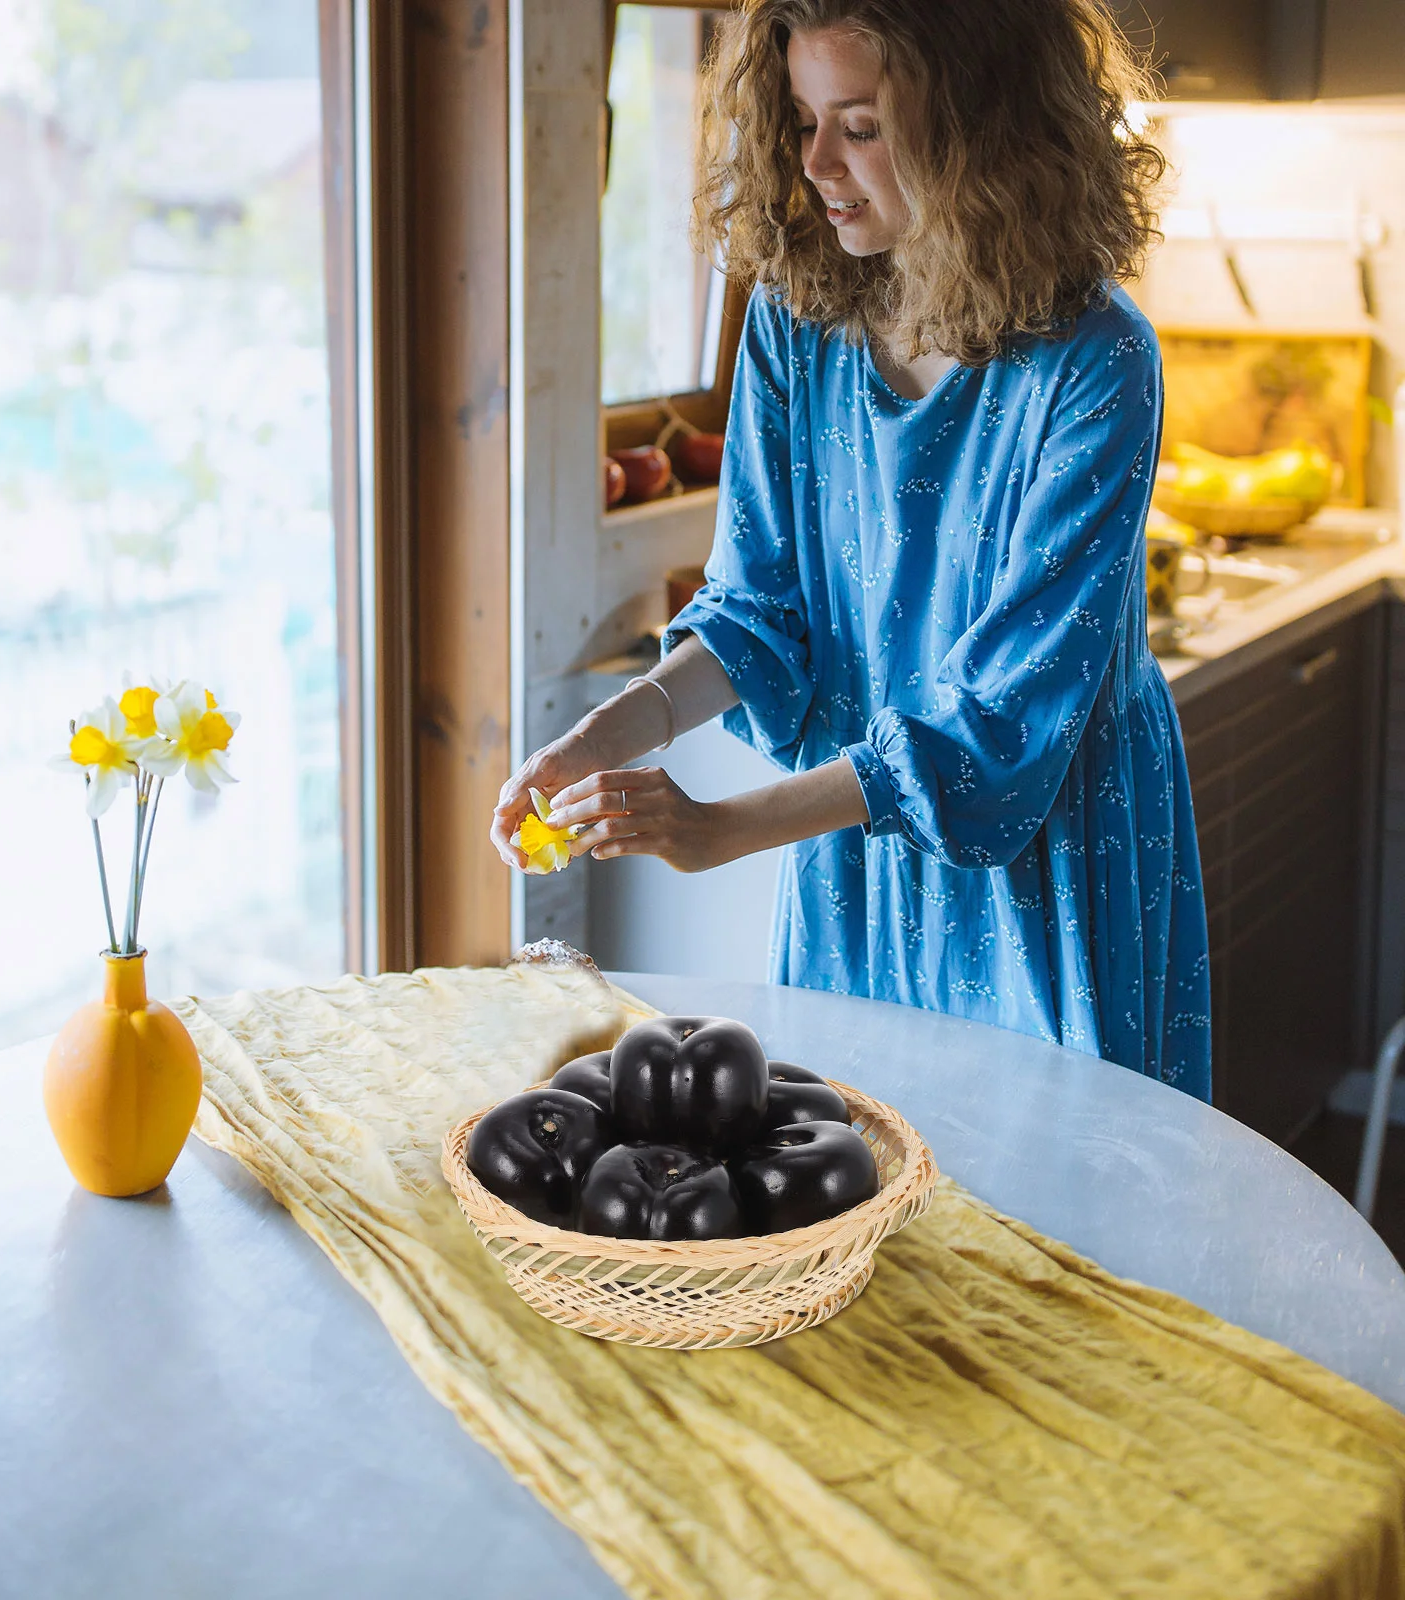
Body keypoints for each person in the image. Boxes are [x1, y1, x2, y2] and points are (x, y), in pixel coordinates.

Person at [491, 0, 1210, 1098]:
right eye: (801, 118)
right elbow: (756, 614)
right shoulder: (794, 318)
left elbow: (1001, 727)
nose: (817, 163)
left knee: (1061, 1214)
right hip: (859, 850)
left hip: (1048, 850)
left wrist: (716, 827)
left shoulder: (1097, 364)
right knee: (855, 1172)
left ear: (982, 130)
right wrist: (605, 731)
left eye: (861, 126)